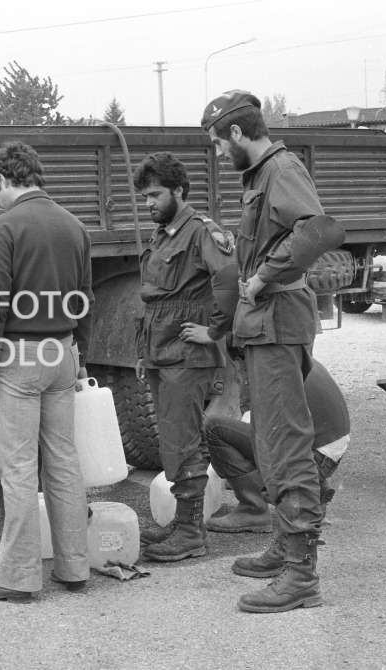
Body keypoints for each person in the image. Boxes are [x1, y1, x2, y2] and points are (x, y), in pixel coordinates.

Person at [201, 90, 345, 613]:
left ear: (238, 133)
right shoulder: (261, 175)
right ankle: (286, 545)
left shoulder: (281, 169)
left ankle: (302, 575)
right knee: (269, 438)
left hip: (278, 319)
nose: (219, 153)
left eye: (219, 143)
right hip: (265, 324)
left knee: (285, 443)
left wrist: (263, 275)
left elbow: (318, 229)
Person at [0, 141, 94, 602]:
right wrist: (80, 356)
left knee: (18, 468)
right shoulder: (75, 226)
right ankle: (75, 566)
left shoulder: (4, 227)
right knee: (63, 461)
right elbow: (85, 298)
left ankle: (16, 577)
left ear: (3, 180)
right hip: (63, 351)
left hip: (20, 356)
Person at [130, 152, 236, 562]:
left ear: (178, 190)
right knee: (172, 439)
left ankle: (191, 534)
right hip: (163, 351)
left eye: (155, 194)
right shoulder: (164, 234)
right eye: (144, 197)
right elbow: (156, 300)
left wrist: (215, 332)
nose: (149, 203)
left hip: (188, 354)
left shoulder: (201, 232)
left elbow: (229, 278)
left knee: (183, 439)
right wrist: (144, 353)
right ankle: (183, 521)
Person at [205, 359, 349, 540]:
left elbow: (265, 432)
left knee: (214, 428)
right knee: (246, 439)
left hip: (314, 458)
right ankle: (314, 493)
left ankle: (253, 510)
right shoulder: (289, 355)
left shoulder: (266, 369)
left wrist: (227, 464)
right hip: (329, 452)